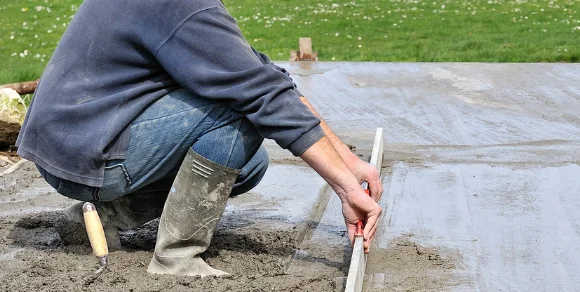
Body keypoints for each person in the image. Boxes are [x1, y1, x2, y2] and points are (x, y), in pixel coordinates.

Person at [16, 0, 383, 277]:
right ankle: (177, 257)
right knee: (239, 112)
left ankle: (101, 216)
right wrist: (347, 191)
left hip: (70, 143)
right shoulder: (181, 6)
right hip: (89, 155)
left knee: (249, 164)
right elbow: (259, 95)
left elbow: (262, 73)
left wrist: (348, 162)